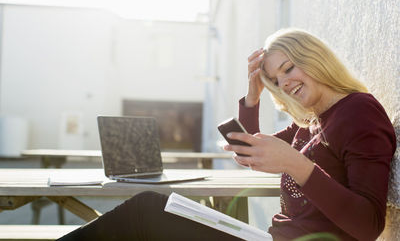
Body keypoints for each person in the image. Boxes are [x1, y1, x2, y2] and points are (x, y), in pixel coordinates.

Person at [58, 29, 396, 241]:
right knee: (153, 212)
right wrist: (253, 96)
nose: (285, 83)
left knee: (145, 213)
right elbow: (250, 150)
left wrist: (297, 166)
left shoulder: (358, 112)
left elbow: (368, 227)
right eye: (276, 80)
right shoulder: (313, 120)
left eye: (289, 68)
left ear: (314, 58)